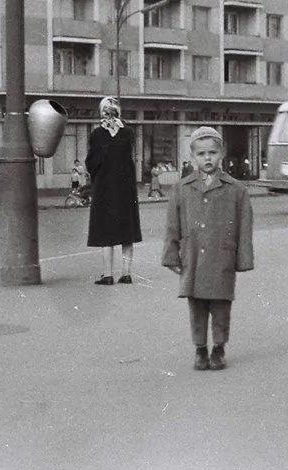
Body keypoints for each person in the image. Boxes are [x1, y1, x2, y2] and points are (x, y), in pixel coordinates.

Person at [162, 126, 254, 371]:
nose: (207, 158)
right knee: (197, 306)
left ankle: (219, 348)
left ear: (221, 153)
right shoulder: (181, 188)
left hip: (222, 257)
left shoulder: (236, 189)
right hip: (192, 257)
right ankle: (200, 348)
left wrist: (243, 258)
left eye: (212, 152)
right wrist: (171, 256)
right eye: (201, 154)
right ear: (192, 157)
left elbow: (244, 226)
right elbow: (172, 226)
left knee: (221, 305)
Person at [86, 96, 142, 285]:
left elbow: (92, 163)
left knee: (106, 232)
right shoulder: (128, 133)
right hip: (126, 189)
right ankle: (126, 274)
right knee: (127, 233)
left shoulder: (97, 134)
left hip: (104, 189)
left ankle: (108, 275)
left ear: (102, 113)